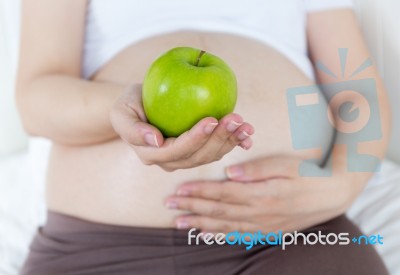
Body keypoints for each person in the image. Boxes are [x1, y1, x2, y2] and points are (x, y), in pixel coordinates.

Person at [17, 0, 391, 274]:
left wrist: (343, 186)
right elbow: (35, 101)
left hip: (290, 236)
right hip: (99, 248)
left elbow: (357, 93)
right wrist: (119, 106)